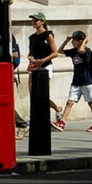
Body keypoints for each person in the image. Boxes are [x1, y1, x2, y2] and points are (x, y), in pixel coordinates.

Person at [57, 28, 92, 133]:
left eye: (74, 40)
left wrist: (85, 40)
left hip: (87, 82)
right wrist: (66, 40)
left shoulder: (87, 51)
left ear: (80, 41)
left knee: (91, 102)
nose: (72, 42)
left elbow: (82, 50)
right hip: (76, 82)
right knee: (70, 102)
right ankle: (62, 122)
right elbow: (59, 51)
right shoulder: (73, 52)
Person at [25, 14, 56, 153]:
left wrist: (42, 60)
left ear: (42, 21)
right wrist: (31, 58)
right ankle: (39, 117)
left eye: (36, 20)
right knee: (33, 92)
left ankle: (46, 117)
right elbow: (30, 52)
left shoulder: (48, 35)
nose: (34, 22)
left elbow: (55, 52)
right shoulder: (32, 37)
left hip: (45, 66)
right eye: (33, 20)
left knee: (42, 93)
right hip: (34, 66)